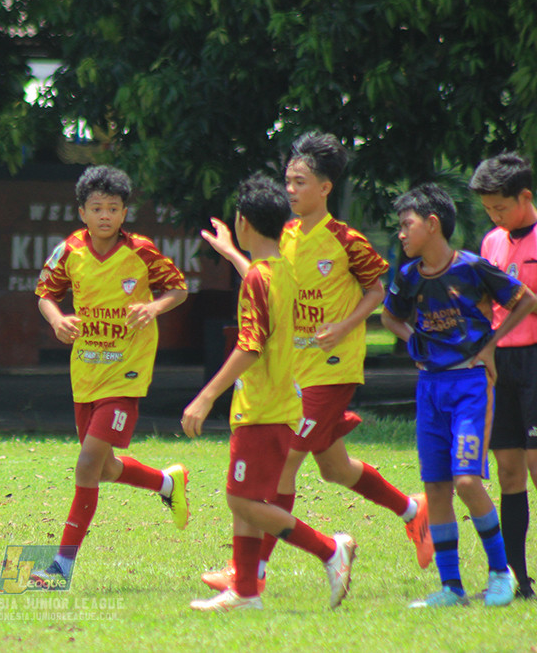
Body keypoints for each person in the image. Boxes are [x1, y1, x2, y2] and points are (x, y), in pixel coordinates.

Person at [199, 132, 432, 596]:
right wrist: (230, 252)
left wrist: (345, 326)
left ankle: (251, 575)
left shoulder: (345, 240)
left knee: (284, 466)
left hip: (331, 370)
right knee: (335, 469)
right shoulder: (280, 236)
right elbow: (269, 286)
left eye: (300, 181)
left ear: (325, 188)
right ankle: (413, 509)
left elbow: (376, 292)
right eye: (287, 181)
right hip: (294, 372)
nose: (290, 190)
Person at [182, 173, 356, 612]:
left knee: (240, 500)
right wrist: (232, 253)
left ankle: (328, 549)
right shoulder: (282, 272)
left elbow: (249, 346)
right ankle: (245, 592)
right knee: (249, 502)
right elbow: (258, 281)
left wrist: (205, 396)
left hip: (260, 408)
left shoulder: (260, 279)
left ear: (243, 222)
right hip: (281, 405)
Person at [29, 165, 189, 587]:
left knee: (86, 467)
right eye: (96, 208)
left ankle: (60, 566)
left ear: (123, 213)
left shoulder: (141, 250)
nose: (104, 216)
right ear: (82, 212)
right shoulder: (69, 251)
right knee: (103, 468)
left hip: (127, 371)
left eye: (113, 208)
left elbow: (178, 289)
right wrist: (56, 319)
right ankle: (166, 482)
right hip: (86, 371)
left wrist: (153, 308)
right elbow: (45, 293)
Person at [381, 183, 537, 607]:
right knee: (435, 488)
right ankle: (452, 588)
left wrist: (491, 344)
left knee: (467, 480)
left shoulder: (472, 268)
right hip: (430, 387)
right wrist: (414, 339)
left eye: (406, 225)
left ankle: (500, 574)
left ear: (432, 225)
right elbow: (390, 316)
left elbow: (524, 300)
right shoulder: (410, 275)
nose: (401, 234)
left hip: (469, 384)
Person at [469, 152, 537, 599]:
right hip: (500, 365)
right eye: (489, 210)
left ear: (525, 197)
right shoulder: (492, 242)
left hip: (535, 359)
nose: (495, 216)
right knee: (508, 469)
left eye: (501, 207)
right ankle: (516, 578)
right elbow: (484, 301)